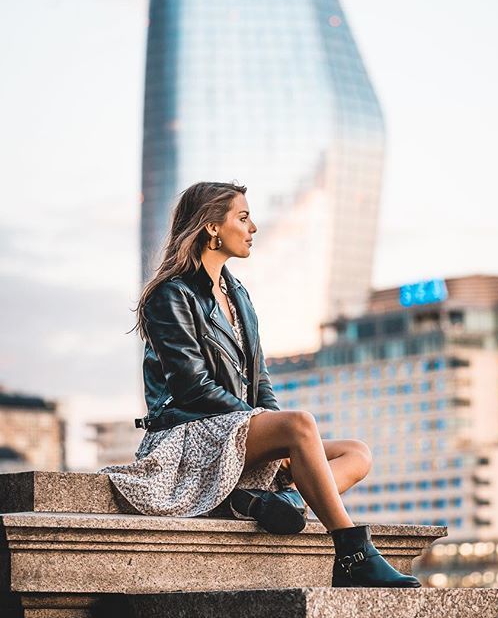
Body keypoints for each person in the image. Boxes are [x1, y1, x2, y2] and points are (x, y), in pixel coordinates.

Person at [100, 181, 420, 588]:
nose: (253, 228)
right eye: (243, 217)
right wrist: (276, 432)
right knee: (300, 424)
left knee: (357, 452)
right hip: (189, 434)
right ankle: (354, 554)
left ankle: (270, 502)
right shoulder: (170, 295)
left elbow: (260, 379)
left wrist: (278, 437)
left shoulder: (238, 295)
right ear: (212, 227)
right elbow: (193, 388)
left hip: (237, 429)